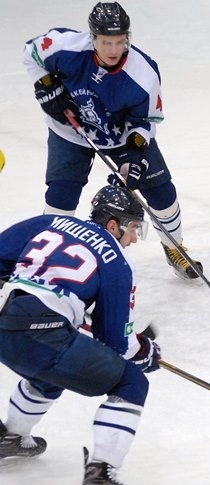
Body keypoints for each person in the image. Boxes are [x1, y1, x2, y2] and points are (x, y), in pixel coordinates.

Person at [22, 1, 203, 280]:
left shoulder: (143, 73)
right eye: (106, 42)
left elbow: (146, 121)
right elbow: (30, 52)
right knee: (61, 194)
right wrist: (45, 85)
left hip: (119, 137)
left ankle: (174, 246)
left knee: (161, 191)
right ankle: (49, 255)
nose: (113, 49)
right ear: (92, 37)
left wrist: (135, 156)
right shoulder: (65, 47)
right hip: (70, 130)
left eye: (120, 41)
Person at [0, 184, 161, 484]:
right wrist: (143, 352)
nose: (134, 238)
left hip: (5, 320)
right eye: (133, 228)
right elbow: (114, 341)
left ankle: (11, 436)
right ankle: (102, 473)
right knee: (131, 382)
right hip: (43, 335)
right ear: (113, 224)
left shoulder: (52, 222)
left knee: (52, 373)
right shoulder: (116, 261)